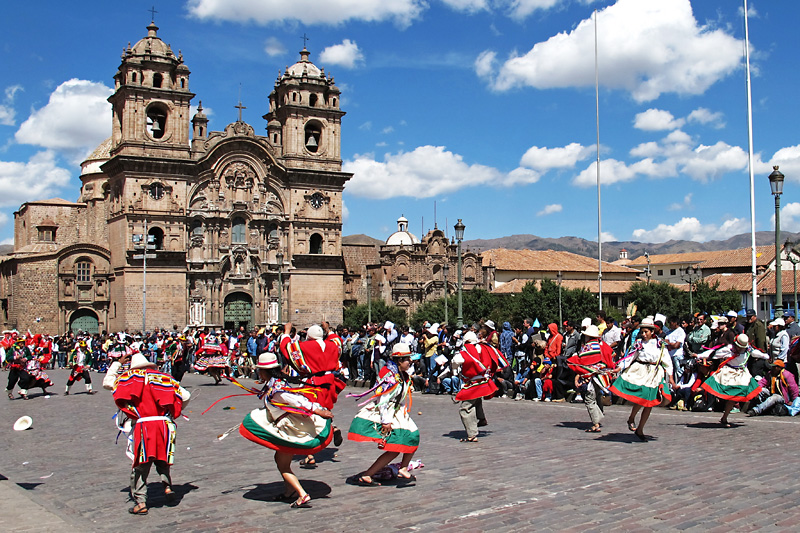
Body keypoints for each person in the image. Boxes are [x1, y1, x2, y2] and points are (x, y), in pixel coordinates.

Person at [239, 352, 334, 509]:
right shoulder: (274, 384)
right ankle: (289, 490)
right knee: (280, 459)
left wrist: (318, 411)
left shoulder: (278, 389)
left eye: (259, 370)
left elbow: (297, 400)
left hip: (288, 428)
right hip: (287, 423)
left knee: (282, 465)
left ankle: (302, 494)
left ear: (264, 371)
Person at [113, 352, 190, 515]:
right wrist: (174, 411)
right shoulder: (163, 379)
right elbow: (186, 395)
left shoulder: (130, 379)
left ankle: (141, 502)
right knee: (162, 458)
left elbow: (108, 384)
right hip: (163, 424)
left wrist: (116, 364)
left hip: (144, 425)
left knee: (141, 464)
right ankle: (168, 487)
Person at [347, 343, 419, 486]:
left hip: (397, 411)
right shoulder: (389, 375)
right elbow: (383, 399)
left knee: (413, 437)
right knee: (395, 448)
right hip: (387, 412)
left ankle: (403, 468)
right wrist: (385, 420)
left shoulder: (401, 374)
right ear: (399, 361)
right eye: (407, 360)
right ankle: (368, 475)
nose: (410, 362)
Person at [609, 317, 674, 442]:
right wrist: (619, 368)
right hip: (640, 370)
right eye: (642, 332)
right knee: (641, 397)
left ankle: (640, 429)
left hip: (654, 373)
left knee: (649, 402)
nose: (644, 334)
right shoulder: (639, 344)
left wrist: (670, 377)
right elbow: (630, 357)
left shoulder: (660, 344)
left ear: (652, 332)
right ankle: (632, 417)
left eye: (646, 332)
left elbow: (667, 361)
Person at [699, 333, 767, 427]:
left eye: (741, 347)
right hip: (729, 372)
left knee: (735, 396)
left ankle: (724, 418)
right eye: (739, 346)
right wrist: (700, 356)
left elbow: (755, 353)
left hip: (741, 374)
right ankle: (702, 390)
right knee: (715, 383)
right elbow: (714, 353)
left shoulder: (748, 349)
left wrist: (765, 356)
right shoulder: (729, 349)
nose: (739, 349)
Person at [567, 325, 615, 433]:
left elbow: (582, 361)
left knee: (589, 399)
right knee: (597, 396)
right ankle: (598, 416)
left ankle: (596, 422)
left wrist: (572, 362)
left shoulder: (589, 346)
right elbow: (612, 354)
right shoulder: (602, 345)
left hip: (594, 376)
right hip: (603, 375)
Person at [454, 328, 499, 443]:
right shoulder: (484, 348)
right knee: (476, 400)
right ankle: (481, 418)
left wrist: (453, 368)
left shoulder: (466, 351)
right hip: (484, 380)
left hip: (473, 383)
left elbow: (456, 361)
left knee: (465, 407)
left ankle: (472, 434)